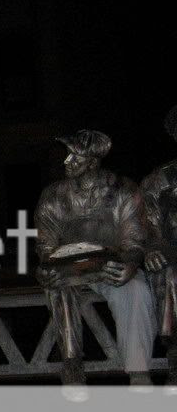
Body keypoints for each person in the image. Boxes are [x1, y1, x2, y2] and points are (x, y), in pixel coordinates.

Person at [35, 130, 156, 387]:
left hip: (111, 265)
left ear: (92, 162)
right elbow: (45, 244)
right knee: (57, 286)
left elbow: (134, 239)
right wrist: (46, 267)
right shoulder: (52, 196)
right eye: (67, 155)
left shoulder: (124, 190)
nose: (66, 161)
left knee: (137, 290)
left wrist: (130, 264)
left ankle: (138, 371)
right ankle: (72, 363)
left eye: (74, 157)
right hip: (69, 270)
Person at [140, 106, 177, 385]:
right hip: (174, 254)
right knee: (169, 273)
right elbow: (150, 226)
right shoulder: (160, 180)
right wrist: (153, 248)